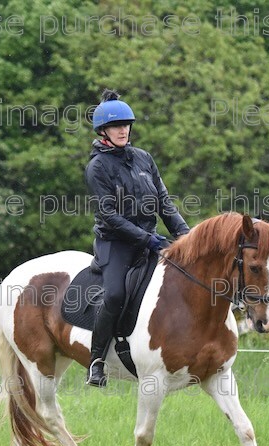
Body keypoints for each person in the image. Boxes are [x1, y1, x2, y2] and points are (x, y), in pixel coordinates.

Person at [84, 89, 190, 387]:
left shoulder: (144, 159)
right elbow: (110, 216)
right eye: (117, 126)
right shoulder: (98, 167)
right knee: (115, 293)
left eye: (127, 124)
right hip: (114, 243)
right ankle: (96, 360)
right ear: (103, 131)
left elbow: (164, 203)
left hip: (149, 238)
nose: (123, 130)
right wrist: (148, 239)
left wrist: (186, 235)